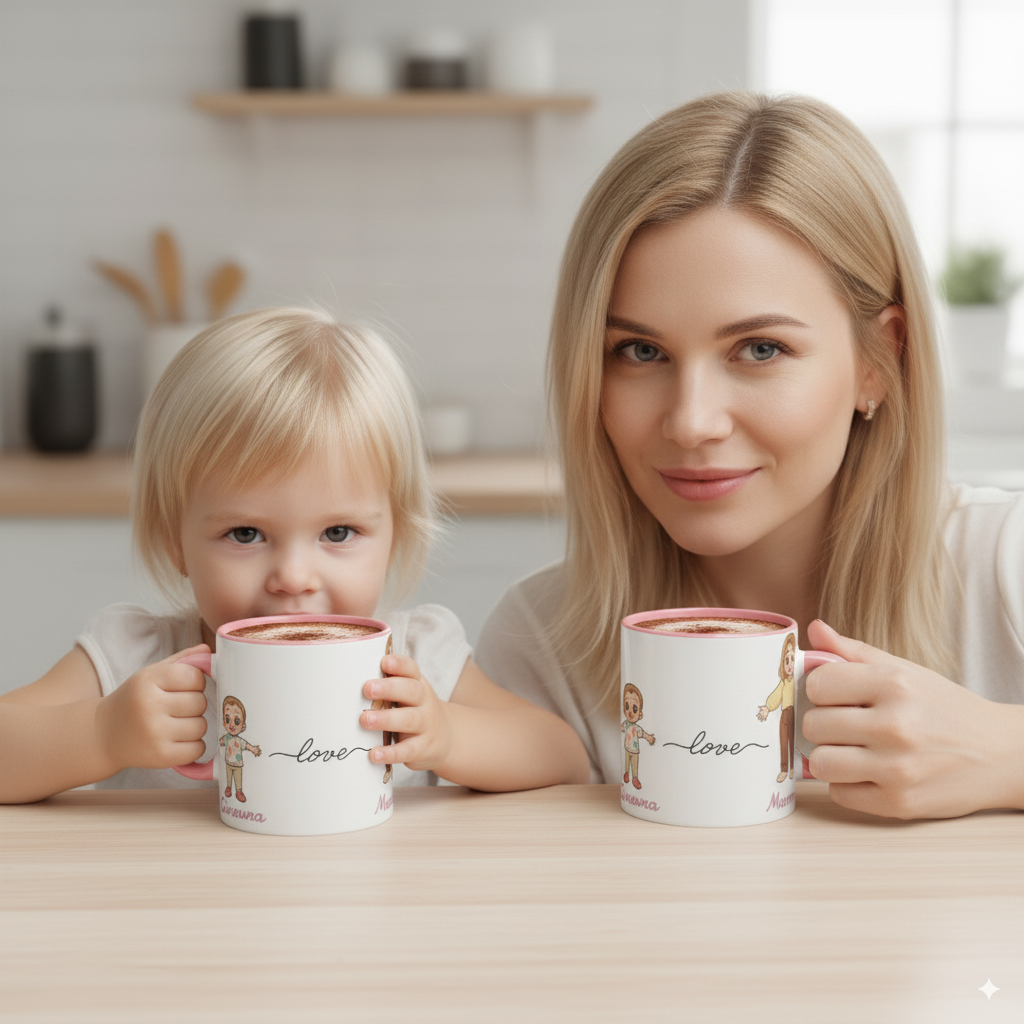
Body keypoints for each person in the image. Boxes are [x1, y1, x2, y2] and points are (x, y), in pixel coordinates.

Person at [476, 92, 1024, 820]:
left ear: (878, 362)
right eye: (640, 352)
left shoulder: (1003, 567)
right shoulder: (541, 640)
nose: (692, 421)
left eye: (760, 349)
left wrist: (1005, 753)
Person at [0, 307, 588, 804]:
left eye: (337, 533)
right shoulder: (134, 658)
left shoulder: (414, 661)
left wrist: (451, 736)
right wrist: (102, 734)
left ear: (396, 539)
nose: (293, 579)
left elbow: (561, 757)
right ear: (169, 540)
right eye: (246, 535)